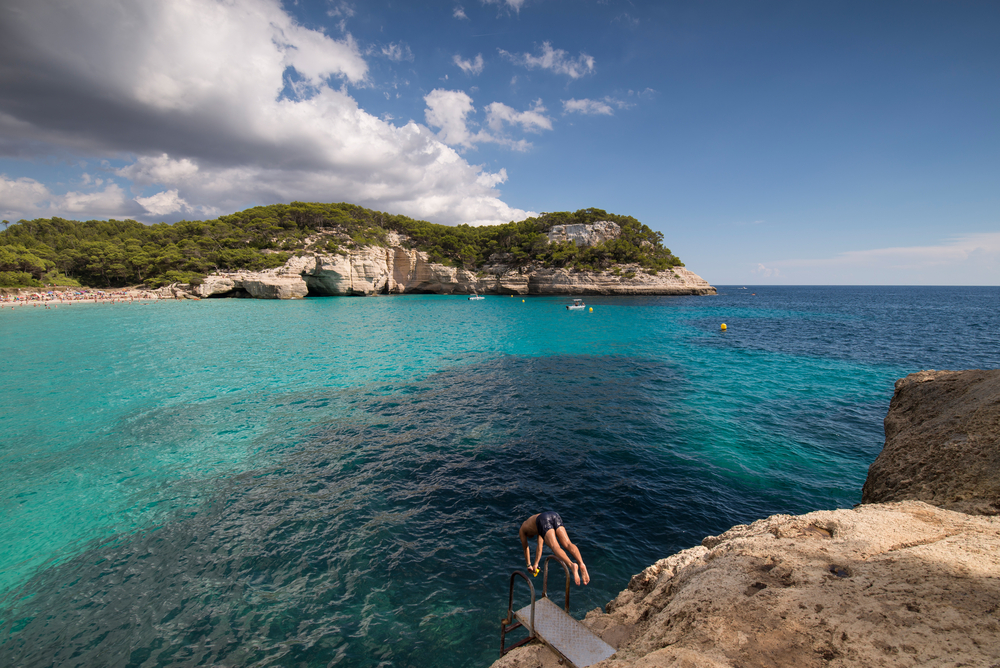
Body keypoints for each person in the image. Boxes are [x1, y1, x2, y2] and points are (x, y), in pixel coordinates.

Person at [519, 511, 590, 586]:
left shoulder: (522, 530)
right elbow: (539, 546)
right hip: (553, 515)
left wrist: (528, 565)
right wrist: (536, 563)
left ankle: (572, 565)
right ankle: (581, 563)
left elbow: (525, 548)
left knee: (555, 547)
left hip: (543, 520)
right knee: (568, 543)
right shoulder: (535, 525)